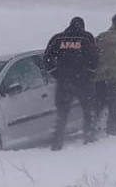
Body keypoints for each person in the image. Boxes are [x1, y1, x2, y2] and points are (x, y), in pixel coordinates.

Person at [42, 17, 100, 150]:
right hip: (83, 82)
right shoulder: (86, 38)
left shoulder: (58, 39)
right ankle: (89, 140)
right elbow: (95, 58)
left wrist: (56, 74)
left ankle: (57, 144)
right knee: (88, 111)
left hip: (64, 82)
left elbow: (47, 58)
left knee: (62, 115)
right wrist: (89, 73)